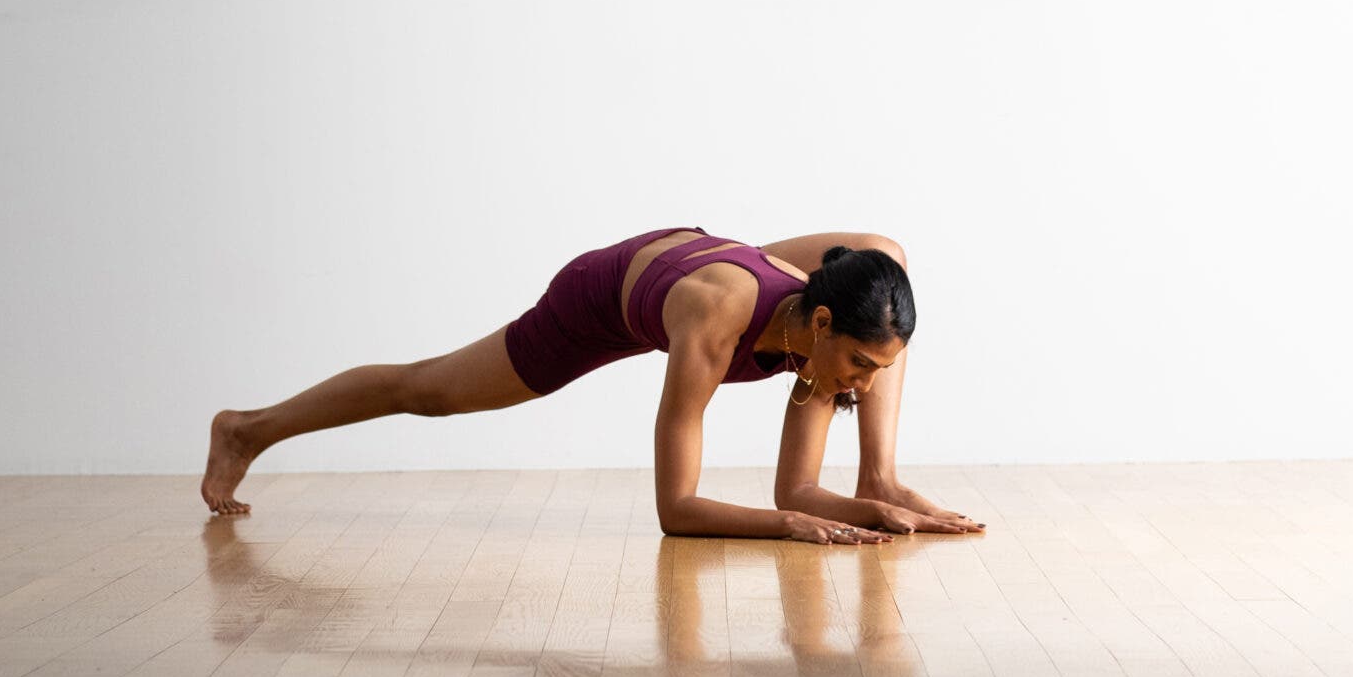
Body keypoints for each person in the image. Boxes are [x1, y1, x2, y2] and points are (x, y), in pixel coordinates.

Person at [200, 226, 985, 544]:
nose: (865, 385)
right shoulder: (716, 327)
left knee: (886, 255)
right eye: (858, 367)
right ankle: (248, 428)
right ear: (817, 328)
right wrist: (782, 528)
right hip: (601, 299)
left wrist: (872, 499)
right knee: (429, 389)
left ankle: (883, 467)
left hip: (702, 269)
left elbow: (800, 488)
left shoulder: (827, 331)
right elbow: (676, 513)